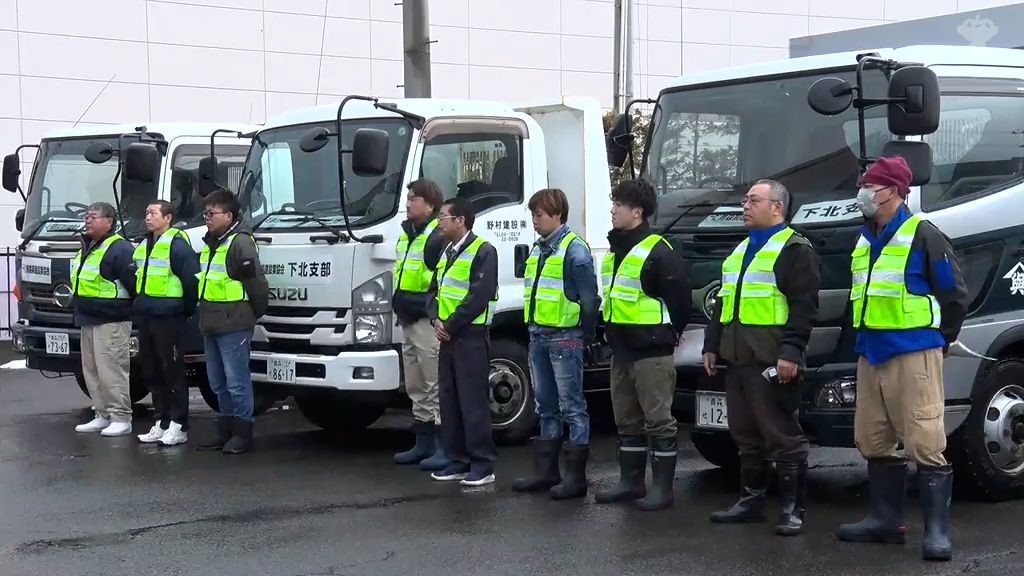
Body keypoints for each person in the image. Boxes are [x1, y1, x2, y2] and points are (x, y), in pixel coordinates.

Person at [835, 156, 967, 562]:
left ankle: (937, 534)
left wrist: (939, 341)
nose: (862, 193)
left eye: (869, 186)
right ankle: (885, 521)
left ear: (892, 191)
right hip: (871, 352)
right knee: (872, 437)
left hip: (913, 353)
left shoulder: (923, 235)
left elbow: (954, 295)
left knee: (925, 438)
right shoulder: (863, 238)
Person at [703, 180, 820, 536]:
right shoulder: (740, 250)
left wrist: (791, 353)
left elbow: (804, 308)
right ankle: (751, 501)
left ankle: (791, 509)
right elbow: (723, 302)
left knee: (782, 434)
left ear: (777, 207)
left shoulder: (795, 250)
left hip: (771, 360)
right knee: (745, 435)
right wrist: (712, 344)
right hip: (738, 359)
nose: (745, 206)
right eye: (745, 200)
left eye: (754, 200)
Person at [594, 179, 690, 511]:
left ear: (637, 212)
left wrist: (665, 335)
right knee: (626, 419)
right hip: (621, 350)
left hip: (652, 351)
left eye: (618, 205)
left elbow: (680, 302)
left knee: (658, 420)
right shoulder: (614, 250)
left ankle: (662, 489)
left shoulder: (659, 251)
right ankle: (630, 482)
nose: (612, 210)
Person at [512, 188, 600, 500]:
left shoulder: (574, 250)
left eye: (540, 215)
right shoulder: (539, 249)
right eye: (533, 215)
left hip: (565, 337)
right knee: (545, 406)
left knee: (572, 407)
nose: (535, 221)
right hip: (538, 335)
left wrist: (585, 336)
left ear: (557, 215)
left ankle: (575, 478)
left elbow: (590, 299)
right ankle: (547, 472)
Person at [427, 197, 499, 487]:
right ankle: (458, 460)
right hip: (448, 337)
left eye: (443, 217)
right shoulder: (448, 252)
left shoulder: (483, 251)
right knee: (450, 400)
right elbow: (435, 289)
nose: (438, 222)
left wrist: (452, 324)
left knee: (473, 402)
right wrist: (435, 319)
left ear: (460, 221)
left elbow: (477, 297)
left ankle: (482, 464)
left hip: (469, 336)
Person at [195, 188, 269, 455]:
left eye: (212, 213)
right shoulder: (212, 243)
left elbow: (257, 285)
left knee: (237, 381)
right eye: (205, 213)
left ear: (228, 215)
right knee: (217, 382)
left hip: (234, 323)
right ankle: (224, 429)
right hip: (211, 323)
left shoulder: (240, 243)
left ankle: (243, 432)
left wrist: (251, 313)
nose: (207, 218)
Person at [392, 178, 449, 471]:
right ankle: (423, 442)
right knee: (415, 384)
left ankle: (443, 445)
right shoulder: (407, 234)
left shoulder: (437, 236)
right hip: (407, 318)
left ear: (430, 203)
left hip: (426, 320)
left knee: (434, 382)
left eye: (414, 198)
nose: (408, 202)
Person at [133, 200, 200, 446]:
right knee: (152, 371)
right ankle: (162, 421)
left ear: (168, 217)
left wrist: (185, 310)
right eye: (146, 212)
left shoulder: (178, 246)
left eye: (153, 213)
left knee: (173, 372)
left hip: (170, 318)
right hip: (147, 316)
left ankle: (179, 424)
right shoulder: (144, 244)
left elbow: (192, 282)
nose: (147, 217)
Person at [72, 202, 138, 437]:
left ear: (109, 222)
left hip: (112, 320)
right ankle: (103, 414)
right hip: (88, 318)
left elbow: (133, 285)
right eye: (86, 216)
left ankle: (121, 417)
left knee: (112, 370)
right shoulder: (88, 246)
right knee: (92, 371)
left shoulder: (119, 248)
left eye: (93, 217)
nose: (87, 220)